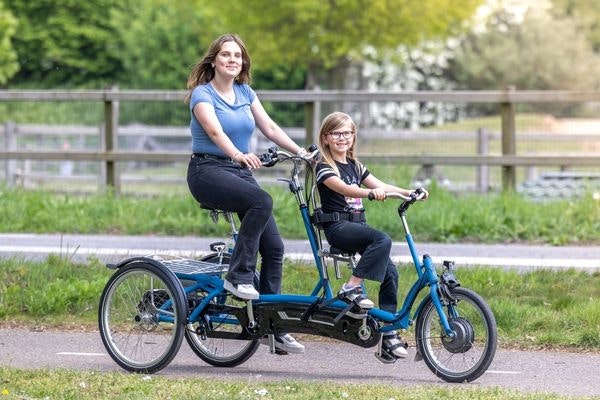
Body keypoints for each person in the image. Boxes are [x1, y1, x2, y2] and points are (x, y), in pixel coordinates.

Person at [185, 34, 306, 354]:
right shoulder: (203, 94)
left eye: (237, 56)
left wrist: (304, 154)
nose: (232, 60)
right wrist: (238, 154)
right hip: (207, 170)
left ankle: (272, 326)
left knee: (275, 248)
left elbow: (270, 128)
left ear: (243, 63)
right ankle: (238, 275)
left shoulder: (245, 92)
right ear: (214, 60)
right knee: (261, 200)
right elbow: (214, 131)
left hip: (237, 172)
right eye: (225, 55)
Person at [314, 111, 428, 362]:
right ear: (326, 138)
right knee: (383, 239)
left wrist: (407, 192)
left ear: (353, 137)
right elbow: (344, 189)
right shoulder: (323, 167)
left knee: (391, 273)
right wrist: (369, 194)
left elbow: (381, 185)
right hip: (339, 230)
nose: (342, 138)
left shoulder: (355, 165)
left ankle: (388, 334)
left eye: (347, 133)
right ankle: (351, 287)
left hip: (358, 229)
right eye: (336, 133)